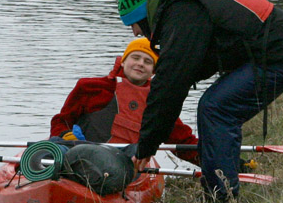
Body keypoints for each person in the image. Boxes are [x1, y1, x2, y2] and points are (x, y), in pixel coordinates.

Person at [113, 0, 283, 203]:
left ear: (143, 14)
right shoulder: (181, 3)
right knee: (215, 106)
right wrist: (173, 74)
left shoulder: (183, 13)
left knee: (216, 109)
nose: (136, 33)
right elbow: (191, 66)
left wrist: (146, 147)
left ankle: (220, 196)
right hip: (275, 50)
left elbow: (169, 88)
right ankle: (226, 176)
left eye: (134, 24)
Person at [50, 37, 199, 164]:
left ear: (153, 71)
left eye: (148, 61)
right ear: (123, 61)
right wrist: (65, 135)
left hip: (124, 164)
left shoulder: (159, 102)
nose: (140, 63)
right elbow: (60, 122)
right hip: (81, 155)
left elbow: (182, 141)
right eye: (135, 57)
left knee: (134, 152)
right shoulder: (90, 87)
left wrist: (209, 158)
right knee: (54, 145)